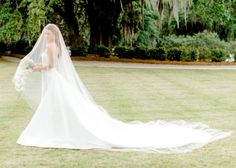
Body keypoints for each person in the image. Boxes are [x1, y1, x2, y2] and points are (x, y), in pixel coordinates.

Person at [13, 23, 232, 153]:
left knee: (59, 109)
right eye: (45, 33)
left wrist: (33, 67)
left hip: (54, 82)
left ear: (52, 35)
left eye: (47, 33)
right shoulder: (55, 45)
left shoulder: (51, 47)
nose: (45, 36)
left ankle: (56, 133)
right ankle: (57, 131)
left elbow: (50, 66)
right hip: (56, 82)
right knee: (58, 110)